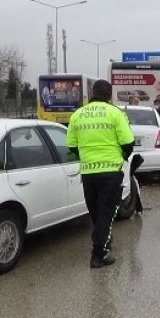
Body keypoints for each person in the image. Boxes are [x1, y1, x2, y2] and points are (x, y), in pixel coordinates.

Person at [67, 79, 135, 268]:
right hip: (110, 171)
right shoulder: (115, 113)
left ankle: (103, 242)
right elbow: (128, 142)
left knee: (96, 213)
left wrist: (86, 157)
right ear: (110, 95)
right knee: (107, 213)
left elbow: (71, 145)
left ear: (92, 94)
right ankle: (99, 254)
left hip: (88, 172)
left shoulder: (78, 115)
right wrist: (122, 157)